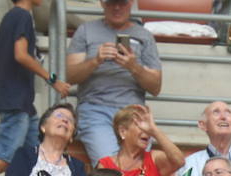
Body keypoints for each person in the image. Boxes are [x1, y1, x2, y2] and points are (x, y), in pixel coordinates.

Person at [0, 0, 70, 175]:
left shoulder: (9, 17)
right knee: (5, 158)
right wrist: (52, 80)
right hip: (16, 101)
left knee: (36, 156)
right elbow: (20, 55)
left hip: (22, 103)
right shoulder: (23, 17)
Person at [65, 0, 162, 164]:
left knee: (136, 167)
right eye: (111, 3)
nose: (117, 8)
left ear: (131, 2)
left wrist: (133, 67)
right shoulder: (86, 31)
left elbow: (156, 87)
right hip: (95, 110)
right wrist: (96, 60)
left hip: (133, 112)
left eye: (122, 3)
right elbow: (69, 76)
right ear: (102, 3)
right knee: (110, 167)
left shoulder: (144, 35)